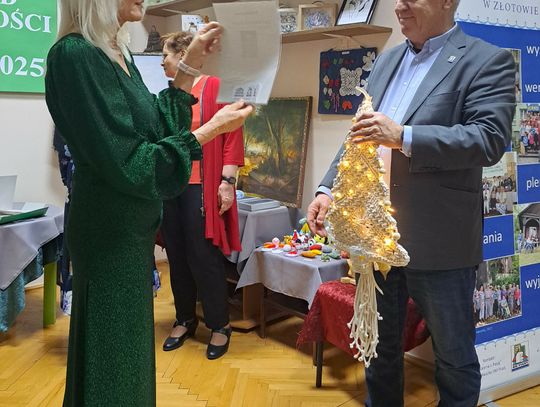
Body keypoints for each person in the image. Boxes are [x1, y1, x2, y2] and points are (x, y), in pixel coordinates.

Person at [306, 0, 515, 405]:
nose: (399, 5)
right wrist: (327, 190)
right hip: (375, 236)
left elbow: (488, 139)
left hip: (441, 240)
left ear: (446, 2)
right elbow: (360, 135)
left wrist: (404, 136)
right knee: (379, 350)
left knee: (453, 358)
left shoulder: (487, 60)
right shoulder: (386, 61)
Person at [45, 1, 253, 406]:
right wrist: (210, 130)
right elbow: (132, 163)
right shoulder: (74, 55)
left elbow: (155, 127)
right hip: (108, 235)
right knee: (114, 358)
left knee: (126, 355)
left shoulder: (115, 52)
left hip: (130, 231)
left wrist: (189, 64)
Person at [158, 31, 244, 359]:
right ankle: (185, 319)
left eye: (165, 55)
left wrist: (227, 182)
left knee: (203, 256)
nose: (162, 62)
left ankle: (220, 325)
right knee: (176, 255)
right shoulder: (170, 96)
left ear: (183, 55)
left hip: (203, 187)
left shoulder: (215, 87)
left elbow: (233, 135)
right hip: (172, 186)